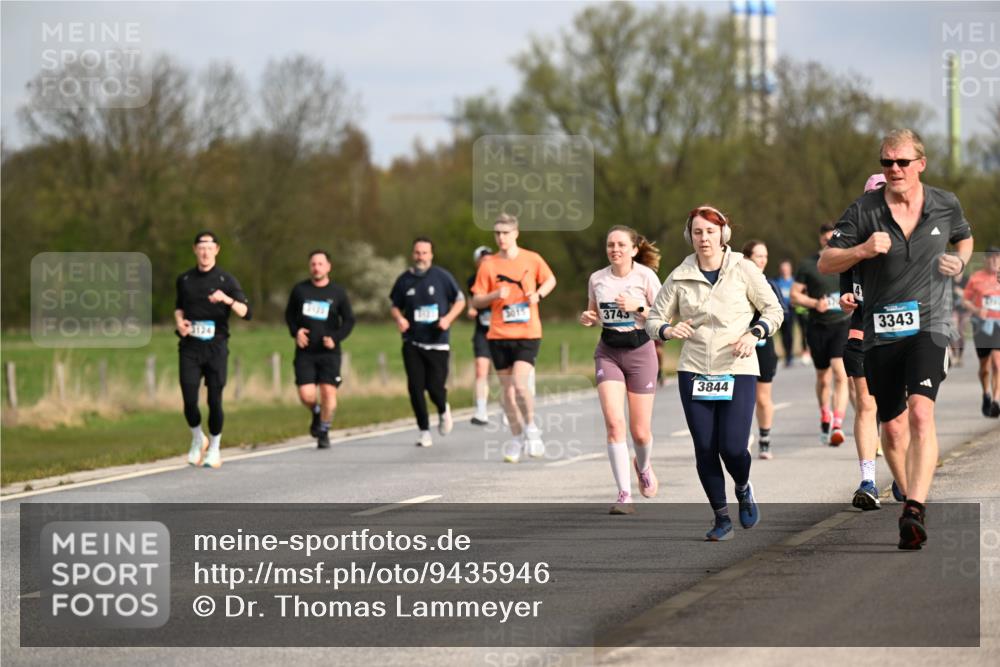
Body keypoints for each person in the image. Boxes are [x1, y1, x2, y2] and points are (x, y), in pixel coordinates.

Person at [819, 128, 973, 550]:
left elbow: (964, 236)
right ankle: (907, 491)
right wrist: (863, 250)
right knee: (893, 425)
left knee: (921, 413)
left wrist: (959, 263)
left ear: (920, 163)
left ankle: (914, 509)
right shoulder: (864, 209)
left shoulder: (944, 203)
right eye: (887, 162)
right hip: (880, 333)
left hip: (930, 324)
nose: (894, 169)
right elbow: (827, 259)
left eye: (902, 162)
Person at [646, 206, 783, 541]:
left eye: (709, 231)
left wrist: (755, 334)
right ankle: (721, 518)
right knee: (705, 448)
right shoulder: (679, 275)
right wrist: (667, 330)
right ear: (689, 236)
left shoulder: (744, 269)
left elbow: (773, 309)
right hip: (694, 370)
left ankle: (743, 486)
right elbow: (652, 320)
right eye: (697, 232)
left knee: (733, 447)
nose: (703, 238)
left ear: (723, 234)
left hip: (737, 368)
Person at [580, 225, 662, 514]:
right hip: (609, 353)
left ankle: (644, 465)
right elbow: (593, 312)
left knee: (640, 433)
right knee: (615, 424)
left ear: (634, 249)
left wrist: (638, 307)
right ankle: (624, 495)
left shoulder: (646, 277)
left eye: (621, 245)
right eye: (610, 244)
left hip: (641, 353)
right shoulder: (597, 279)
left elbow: (664, 317)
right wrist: (588, 317)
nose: (615, 249)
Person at [471, 213, 557, 463]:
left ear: (516, 233)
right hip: (498, 334)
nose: (501, 238)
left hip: (527, 333)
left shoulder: (532, 258)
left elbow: (551, 280)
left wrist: (538, 295)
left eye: (505, 233)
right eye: (497, 233)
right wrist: (494, 294)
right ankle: (517, 436)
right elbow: (476, 300)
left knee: (520, 384)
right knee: (506, 394)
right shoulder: (488, 265)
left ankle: (532, 429)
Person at [175, 231, 251, 469]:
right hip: (190, 346)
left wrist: (227, 300)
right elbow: (179, 307)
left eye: (210, 247)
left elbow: (247, 313)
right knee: (189, 400)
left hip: (216, 347)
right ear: (195, 250)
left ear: (217, 250)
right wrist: (179, 322)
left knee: (214, 401)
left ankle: (215, 448)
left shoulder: (226, 281)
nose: (205, 251)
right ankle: (198, 438)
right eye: (201, 247)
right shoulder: (185, 279)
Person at [389, 237, 465, 448]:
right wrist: (400, 319)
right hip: (413, 341)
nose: (420, 256)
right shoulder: (404, 280)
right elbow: (395, 305)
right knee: (415, 387)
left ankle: (443, 409)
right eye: (417, 252)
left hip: (437, 342)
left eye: (424, 252)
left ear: (431, 255)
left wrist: (448, 319)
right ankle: (424, 431)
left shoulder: (442, 277)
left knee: (434, 387)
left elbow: (460, 301)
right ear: (413, 254)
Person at [839, 173, 886, 511]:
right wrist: (844, 294)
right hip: (861, 330)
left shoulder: (907, 237)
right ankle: (868, 481)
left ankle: (903, 475)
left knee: (899, 411)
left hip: (900, 335)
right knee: (866, 405)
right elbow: (844, 271)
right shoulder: (855, 241)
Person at [285, 250, 356, 449]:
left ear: (328, 267)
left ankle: (324, 431)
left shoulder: (338, 293)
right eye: (313, 264)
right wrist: (296, 332)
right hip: (306, 351)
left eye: (320, 264)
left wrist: (336, 338)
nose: (316, 267)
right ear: (310, 267)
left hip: (329, 353)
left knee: (328, 393)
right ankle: (316, 412)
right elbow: (289, 316)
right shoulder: (300, 290)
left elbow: (349, 320)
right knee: (306, 395)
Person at [792, 224, 852, 446]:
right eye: (827, 238)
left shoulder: (847, 261)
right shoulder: (808, 265)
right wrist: (814, 302)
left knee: (840, 373)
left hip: (841, 325)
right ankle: (825, 414)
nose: (830, 242)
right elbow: (794, 295)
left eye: (834, 238)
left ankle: (837, 423)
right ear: (821, 240)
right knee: (823, 378)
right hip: (817, 327)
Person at [741, 240, 783, 459]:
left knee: (763, 397)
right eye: (759, 256)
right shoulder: (734, 282)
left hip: (763, 347)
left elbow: (780, 313)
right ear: (747, 258)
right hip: (737, 347)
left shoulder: (770, 284)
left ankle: (765, 440)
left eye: (765, 256)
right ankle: (742, 437)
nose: (763, 261)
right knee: (740, 397)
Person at [962, 246, 1000, 418]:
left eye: (997, 258)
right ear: (985, 259)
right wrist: (977, 310)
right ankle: (986, 393)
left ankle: (996, 401)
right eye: (991, 258)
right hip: (982, 325)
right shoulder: (976, 278)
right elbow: (965, 301)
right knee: (985, 367)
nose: (994, 261)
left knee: (997, 364)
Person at [466, 246, 494, 425]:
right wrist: (471, 309)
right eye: (483, 261)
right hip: (482, 332)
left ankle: (509, 409)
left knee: (504, 373)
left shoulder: (500, 277)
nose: (486, 264)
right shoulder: (472, 280)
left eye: (489, 260)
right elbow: (471, 301)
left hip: (503, 333)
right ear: (477, 263)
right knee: (480, 369)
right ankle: (481, 410)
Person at [774, 260, 796, 367]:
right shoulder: (778, 282)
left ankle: (790, 355)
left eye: (786, 269)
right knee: (783, 335)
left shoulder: (794, 282)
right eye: (783, 269)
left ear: (790, 269)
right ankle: (787, 355)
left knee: (790, 334)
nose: (784, 271)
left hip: (792, 311)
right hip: (781, 312)